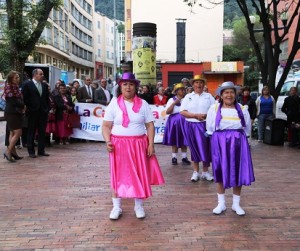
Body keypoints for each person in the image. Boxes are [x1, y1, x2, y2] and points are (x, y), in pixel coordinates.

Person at [102, 72, 165, 220]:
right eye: (125, 84)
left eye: (131, 84)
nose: (128, 87)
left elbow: (150, 125)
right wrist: (107, 141)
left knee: (139, 174)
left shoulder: (142, 104)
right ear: (120, 86)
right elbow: (106, 126)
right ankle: (116, 207)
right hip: (118, 145)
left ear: (136, 87)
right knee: (117, 175)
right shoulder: (113, 104)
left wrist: (151, 144)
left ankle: (139, 206)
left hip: (138, 144)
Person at [206, 81, 255, 216]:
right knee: (220, 170)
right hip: (219, 142)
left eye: (231, 92)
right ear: (221, 95)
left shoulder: (242, 109)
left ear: (235, 94)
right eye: (226, 92)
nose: (229, 95)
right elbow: (210, 128)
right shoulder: (214, 109)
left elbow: (247, 129)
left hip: (238, 142)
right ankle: (221, 203)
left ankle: (236, 204)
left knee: (237, 170)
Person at [180, 75, 215, 182]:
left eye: (201, 82)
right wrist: (195, 116)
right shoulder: (188, 97)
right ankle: (195, 171)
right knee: (194, 148)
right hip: (191, 125)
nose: (198, 85)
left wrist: (206, 116)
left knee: (205, 148)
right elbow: (182, 111)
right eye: (196, 82)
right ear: (193, 84)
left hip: (205, 125)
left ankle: (205, 171)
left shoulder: (209, 96)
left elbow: (215, 110)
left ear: (203, 84)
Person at [22, 68, 50, 158]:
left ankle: (41, 150)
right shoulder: (27, 85)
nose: (42, 76)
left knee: (42, 131)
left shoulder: (44, 85)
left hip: (43, 112)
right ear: (35, 75)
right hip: (32, 112)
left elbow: (46, 99)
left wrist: (47, 109)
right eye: (41, 74)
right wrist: (29, 108)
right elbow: (25, 98)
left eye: (42, 74)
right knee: (31, 131)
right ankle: (31, 151)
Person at [163, 83, 191, 165]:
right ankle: (174, 157)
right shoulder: (171, 100)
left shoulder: (186, 99)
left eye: (183, 90)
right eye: (181, 90)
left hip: (184, 122)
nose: (183, 91)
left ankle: (184, 157)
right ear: (176, 91)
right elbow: (167, 112)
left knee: (184, 139)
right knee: (175, 139)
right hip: (174, 123)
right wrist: (174, 103)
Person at [3, 71, 25, 162]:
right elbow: (13, 102)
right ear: (11, 79)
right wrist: (23, 105)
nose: (18, 79)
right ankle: (8, 152)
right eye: (16, 78)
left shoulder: (15, 87)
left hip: (15, 113)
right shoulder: (9, 88)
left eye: (18, 77)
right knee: (18, 133)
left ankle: (13, 153)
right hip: (11, 113)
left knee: (12, 133)